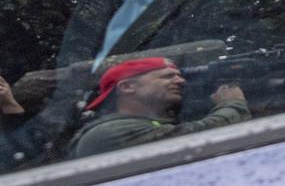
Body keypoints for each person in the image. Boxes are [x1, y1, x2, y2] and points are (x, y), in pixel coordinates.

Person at [67, 57, 249, 159]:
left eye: (178, 75)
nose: (181, 81)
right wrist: (233, 103)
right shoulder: (110, 132)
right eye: (167, 77)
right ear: (127, 87)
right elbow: (199, 138)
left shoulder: (146, 124)